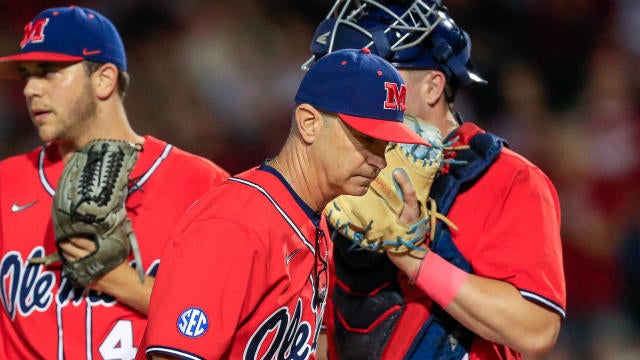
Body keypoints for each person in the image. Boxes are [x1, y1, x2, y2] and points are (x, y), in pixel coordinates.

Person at [304, 1, 566, 359]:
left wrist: (414, 258)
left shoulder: (509, 179)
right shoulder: (339, 174)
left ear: (432, 87)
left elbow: (536, 328)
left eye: (379, 73)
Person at [136, 47, 429, 360]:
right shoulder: (234, 225)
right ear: (309, 123)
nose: (379, 161)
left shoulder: (313, 222)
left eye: (385, 146)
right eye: (366, 140)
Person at [0, 6, 230, 359]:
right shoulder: (6, 185)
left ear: (104, 79)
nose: (30, 89)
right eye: (27, 75)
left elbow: (228, 322)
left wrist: (118, 280)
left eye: (48, 72)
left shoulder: (201, 185)